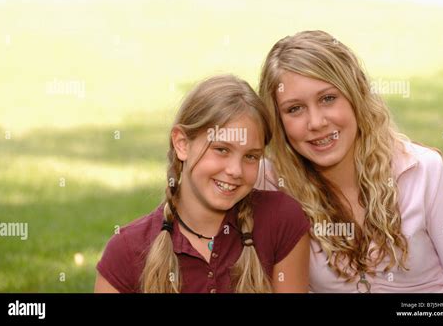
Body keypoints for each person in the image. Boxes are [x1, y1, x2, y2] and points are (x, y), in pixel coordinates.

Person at [256, 30, 443, 292]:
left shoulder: (423, 173)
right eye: (294, 109)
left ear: (356, 94)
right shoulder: (270, 184)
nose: (317, 122)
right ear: (277, 120)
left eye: (328, 98)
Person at [95, 74, 310, 293]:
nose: (235, 171)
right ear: (182, 143)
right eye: (221, 150)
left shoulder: (281, 219)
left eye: (251, 156)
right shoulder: (126, 251)